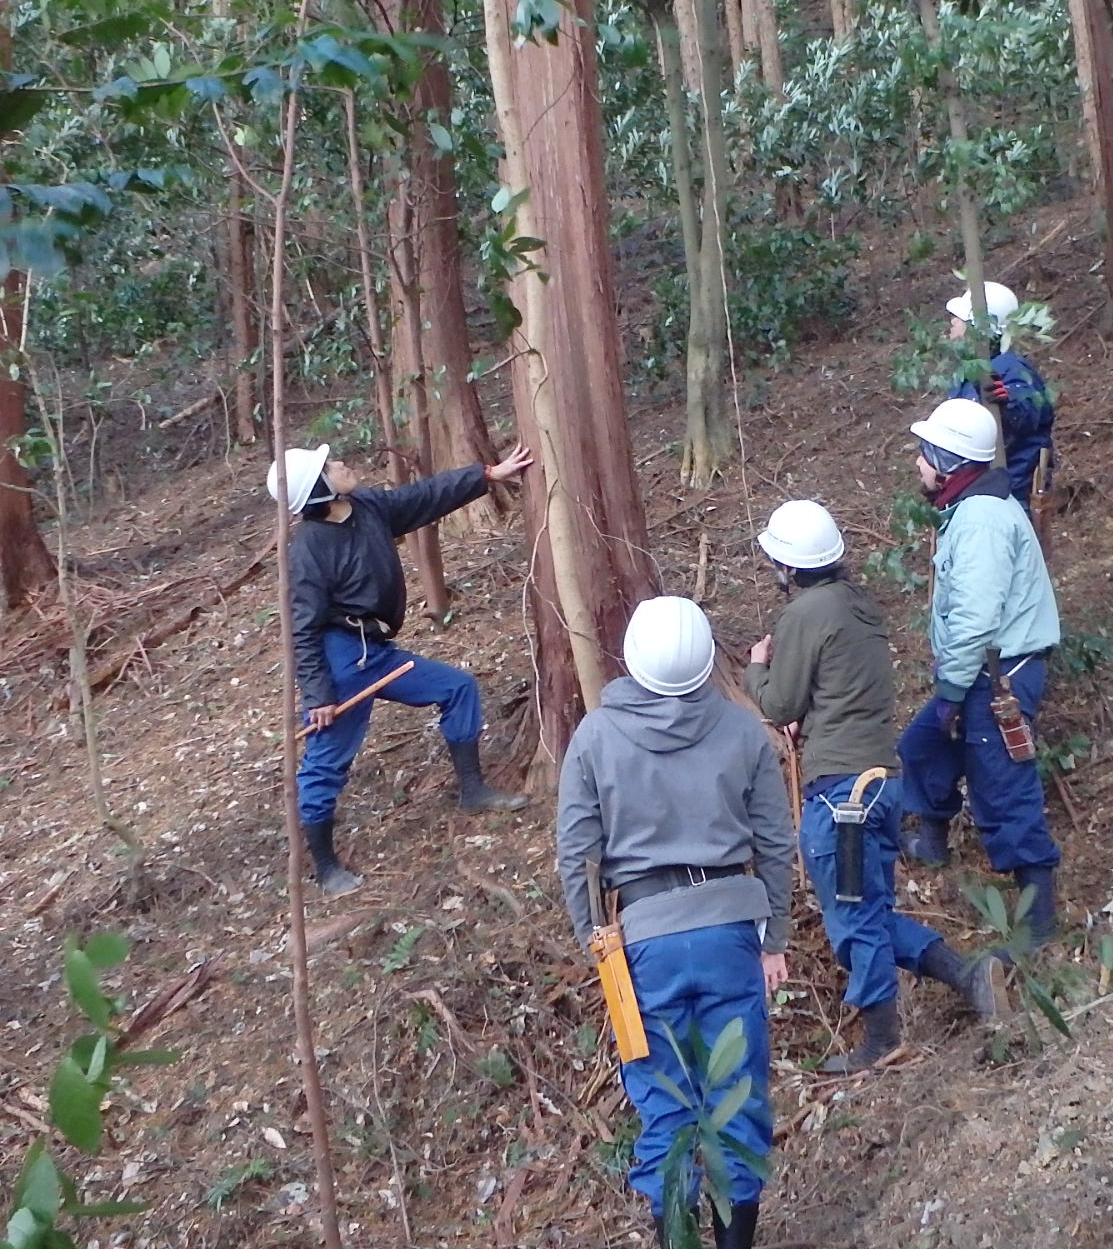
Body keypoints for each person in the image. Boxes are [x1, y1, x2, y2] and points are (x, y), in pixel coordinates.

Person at [556, 596, 794, 1249]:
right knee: (736, 1101)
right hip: (729, 935)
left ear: (632, 658)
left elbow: (578, 856)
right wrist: (776, 936)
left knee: (665, 1107)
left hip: (641, 945)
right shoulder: (744, 730)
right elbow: (775, 842)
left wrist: (595, 946)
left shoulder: (596, 736)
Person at [745, 501, 1000, 1072]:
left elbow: (779, 702)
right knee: (871, 913)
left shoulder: (805, 614)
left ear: (787, 566)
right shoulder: (860, 606)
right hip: (880, 788)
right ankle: (969, 976)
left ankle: (884, 1040)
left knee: (856, 921)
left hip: (842, 799)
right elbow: (837, 693)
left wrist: (757, 667)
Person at [270, 441, 535, 896]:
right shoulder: (308, 551)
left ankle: (473, 791)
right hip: (342, 661)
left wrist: (486, 475)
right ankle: (325, 867)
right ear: (319, 490)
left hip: (377, 650)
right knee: (326, 762)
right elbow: (302, 629)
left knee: (458, 689)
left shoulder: (367, 506)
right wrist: (318, 696)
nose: (342, 464)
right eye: (331, 466)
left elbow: (420, 498)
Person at [897, 399, 1063, 949]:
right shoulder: (973, 510)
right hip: (985, 673)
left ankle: (1037, 924)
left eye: (925, 455)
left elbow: (975, 618)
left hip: (998, 678)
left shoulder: (983, 520)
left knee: (1004, 788)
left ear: (946, 463)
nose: (918, 464)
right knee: (924, 747)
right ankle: (935, 840)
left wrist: (949, 694)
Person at [945, 281, 1055, 504]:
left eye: (959, 320)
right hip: (978, 492)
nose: (952, 324)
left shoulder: (1009, 367)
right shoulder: (969, 373)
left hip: (1011, 494)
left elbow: (1027, 412)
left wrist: (1007, 403)